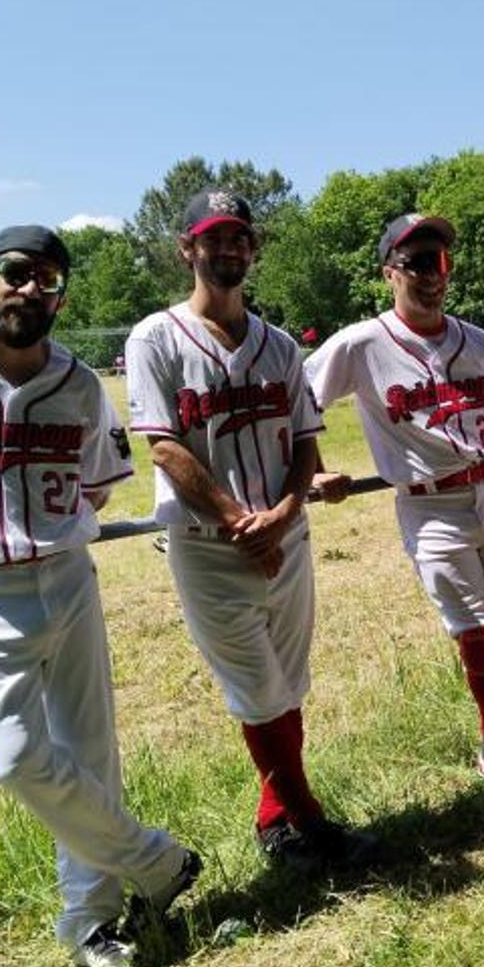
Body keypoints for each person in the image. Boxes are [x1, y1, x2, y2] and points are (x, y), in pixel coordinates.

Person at [0, 226, 200, 967]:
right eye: (16, 272)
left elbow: (95, 482)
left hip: (67, 572)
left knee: (91, 753)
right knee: (20, 759)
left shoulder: (80, 382)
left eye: (48, 279)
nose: (30, 288)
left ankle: (90, 920)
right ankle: (158, 862)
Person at [125, 190, 377, 872]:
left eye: (239, 238)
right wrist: (242, 523)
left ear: (253, 249)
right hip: (211, 548)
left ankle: (274, 819)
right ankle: (312, 825)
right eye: (213, 238)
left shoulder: (279, 344)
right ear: (188, 248)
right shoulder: (155, 338)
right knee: (260, 692)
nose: (227, 249)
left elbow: (303, 440)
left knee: (288, 686)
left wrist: (288, 513)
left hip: (286, 538)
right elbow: (164, 445)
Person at [306, 212, 484, 809]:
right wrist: (314, 468)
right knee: (479, 631)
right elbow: (301, 401)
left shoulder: (478, 342)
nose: (431, 274)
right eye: (417, 262)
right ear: (390, 271)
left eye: (439, 261)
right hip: (429, 505)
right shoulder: (361, 344)